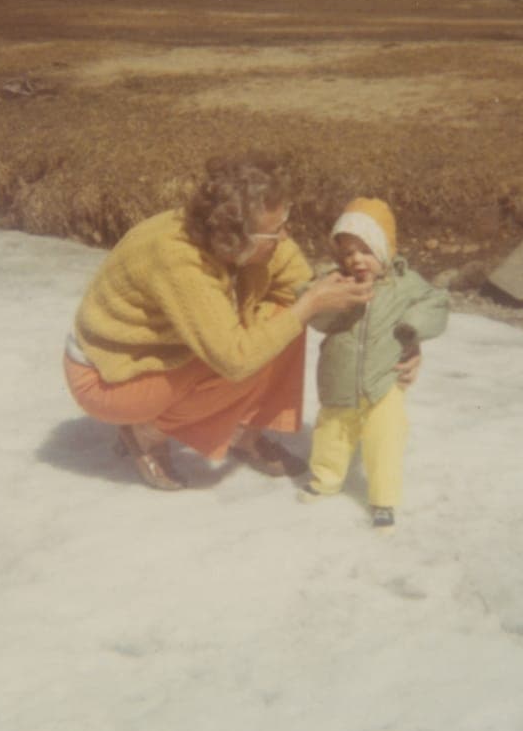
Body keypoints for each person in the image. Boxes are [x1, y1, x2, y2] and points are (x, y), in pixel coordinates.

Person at [63, 154, 374, 491]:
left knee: (287, 314)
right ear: (236, 239)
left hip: (166, 355)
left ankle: (245, 432)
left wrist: (399, 335)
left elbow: (302, 287)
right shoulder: (178, 260)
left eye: (285, 221)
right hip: (110, 377)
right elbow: (235, 360)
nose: (285, 237)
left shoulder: (250, 239)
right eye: (275, 231)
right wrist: (310, 303)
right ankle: (146, 431)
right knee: (272, 333)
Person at [298, 197, 450, 529]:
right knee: (332, 433)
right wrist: (324, 302)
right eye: (348, 252)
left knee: (386, 438)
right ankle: (325, 479)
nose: (356, 260)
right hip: (338, 379)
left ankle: (383, 498)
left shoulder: (404, 283)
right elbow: (313, 312)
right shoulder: (337, 283)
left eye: (365, 250)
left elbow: (436, 303)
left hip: (384, 382)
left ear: (384, 249)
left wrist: (413, 327)